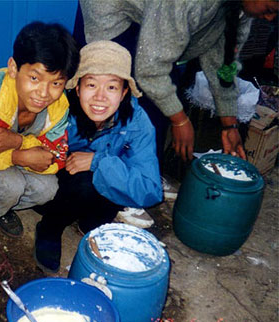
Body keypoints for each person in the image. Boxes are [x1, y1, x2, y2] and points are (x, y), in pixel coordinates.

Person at [76, 0, 278, 227]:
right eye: (270, 9)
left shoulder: (240, 11)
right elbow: (151, 71)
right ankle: (113, 187)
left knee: (162, 98)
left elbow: (222, 64)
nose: (270, 19)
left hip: (153, 13)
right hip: (111, 7)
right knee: (112, 92)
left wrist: (229, 124)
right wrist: (180, 120)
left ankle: (142, 174)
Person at [34, 40, 162, 273]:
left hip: (101, 188)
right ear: (78, 87)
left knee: (110, 174)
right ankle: (50, 227)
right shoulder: (58, 107)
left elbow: (150, 190)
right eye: (92, 85)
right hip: (56, 185)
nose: (100, 97)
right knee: (81, 182)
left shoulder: (137, 123)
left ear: (124, 93)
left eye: (111, 87)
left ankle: (90, 225)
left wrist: (98, 161)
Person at [0, 22, 79, 262]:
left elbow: (54, 158)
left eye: (56, 83)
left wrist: (17, 145)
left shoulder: (58, 107)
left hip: (11, 159)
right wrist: (17, 156)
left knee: (48, 188)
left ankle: (1, 209)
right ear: (14, 68)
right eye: (35, 78)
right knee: (11, 184)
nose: (44, 93)